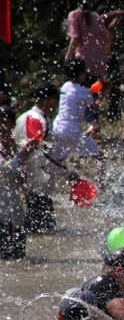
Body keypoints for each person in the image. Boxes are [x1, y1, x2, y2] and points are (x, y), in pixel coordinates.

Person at [15, 83, 66, 233]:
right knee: (44, 231)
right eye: (55, 100)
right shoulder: (38, 120)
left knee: (37, 231)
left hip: (30, 183)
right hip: (38, 183)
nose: (57, 104)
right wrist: (66, 173)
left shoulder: (25, 117)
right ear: (48, 100)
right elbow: (40, 155)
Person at [0, 107, 38, 260]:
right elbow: (7, 168)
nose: (2, 128)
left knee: (19, 260)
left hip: (16, 211)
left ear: (12, 126)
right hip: (1, 213)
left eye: (5, 123)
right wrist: (24, 154)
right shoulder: (19, 151)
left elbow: (23, 180)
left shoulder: (17, 148)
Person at [52, 57, 103, 165]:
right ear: (82, 74)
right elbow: (94, 108)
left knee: (58, 160)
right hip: (71, 131)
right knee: (99, 155)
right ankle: (103, 181)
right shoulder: (84, 92)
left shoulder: (64, 86)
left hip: (57, 127)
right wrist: (100, 98)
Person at [66, 0, 122, 80]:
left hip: (84, 63)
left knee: (85, 90)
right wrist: (106, 55)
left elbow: (75, 37)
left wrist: (67, 57)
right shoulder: (95, 16)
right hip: (100, 63)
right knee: (98, 89)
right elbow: (107, 38)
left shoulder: (74, 15)